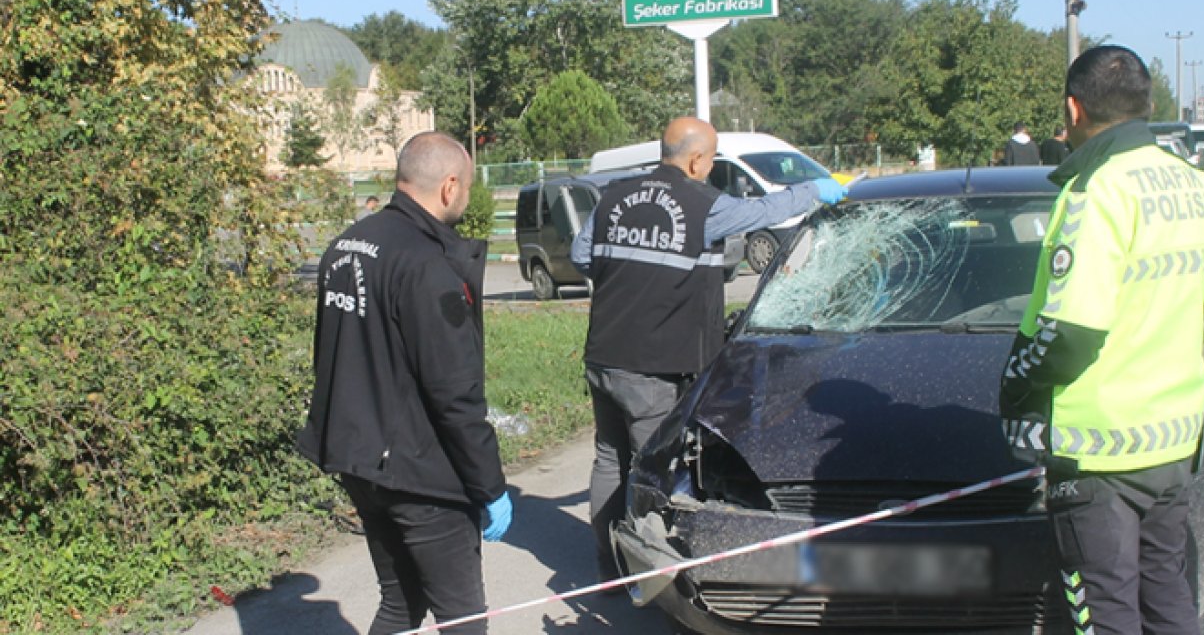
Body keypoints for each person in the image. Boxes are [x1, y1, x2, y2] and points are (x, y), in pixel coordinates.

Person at [998, 46, 1204, 635]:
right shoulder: (1195, 185)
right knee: (1168, 599)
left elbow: (1069, 333)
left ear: (1073, 109)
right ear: (1150, 105)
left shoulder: (1093, 193)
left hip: (1099, 452)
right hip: (1173, 441)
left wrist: (1015, 386)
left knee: (1103, 616)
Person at [570, 116, 847, 582]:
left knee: (608, 459)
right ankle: (651, 578)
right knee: (651, 474)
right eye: (713, 157)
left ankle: (608, 567)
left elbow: (582, 256)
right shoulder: (702, 205)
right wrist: (817, 190)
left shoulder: (614, 195)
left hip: (603, 355)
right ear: (697, 159)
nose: (712, 165)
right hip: (652, 368)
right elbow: (765, 211)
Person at [296, 132, 511, 635]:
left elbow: (328, 355)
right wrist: (490, 487)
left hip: (360, 458)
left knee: (401, 604)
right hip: (418, 472)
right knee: (464, 618)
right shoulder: (428, 264)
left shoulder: (348, 242)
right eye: (468, 187)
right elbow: (455, 394)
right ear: (449, 186)